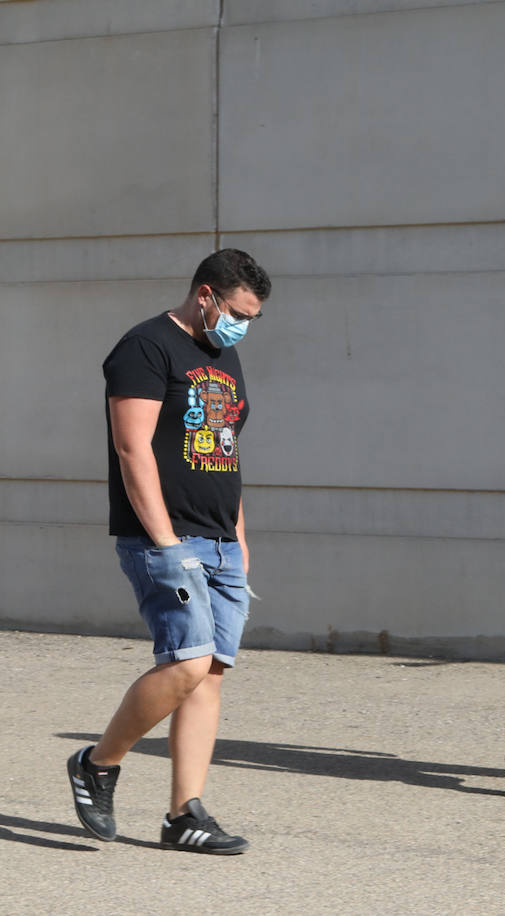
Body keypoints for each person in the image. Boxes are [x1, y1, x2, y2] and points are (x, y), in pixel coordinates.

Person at [66, 249, 271, 854]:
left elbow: (222, 451)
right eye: (237, 312)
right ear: (205, 295)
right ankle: (98, 764)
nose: (243, 326)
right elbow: (133, 451)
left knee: (208, 674)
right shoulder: (145, 348)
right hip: (166, 538)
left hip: (220, 539)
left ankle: (185, 815)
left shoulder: (223, 356)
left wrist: (238, 535)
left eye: (253, 318)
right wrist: (166, 543)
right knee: (184, 661)